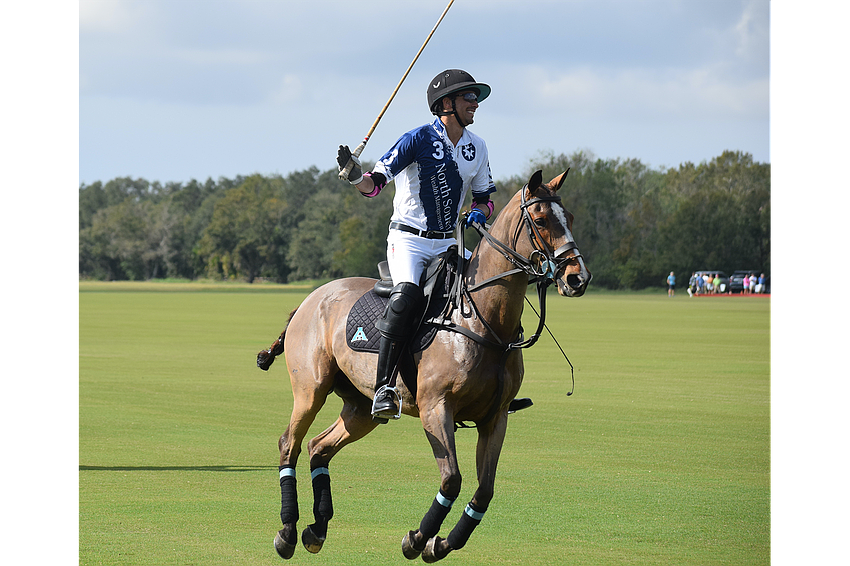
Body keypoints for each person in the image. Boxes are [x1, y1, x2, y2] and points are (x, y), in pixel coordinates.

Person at [337, 69, 497, 422]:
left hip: (448, 242)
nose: (475, 103)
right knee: (407, 295)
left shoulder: (477, 146)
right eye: (468, 97)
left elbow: (486, 198)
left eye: (475, 97)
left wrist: (479, 213)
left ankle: (495, 383)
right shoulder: (417, 139)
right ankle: (384, 388)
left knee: (492, 287)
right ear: (446, 104)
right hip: (409, 240)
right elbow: (375, 186)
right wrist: (354, 176)